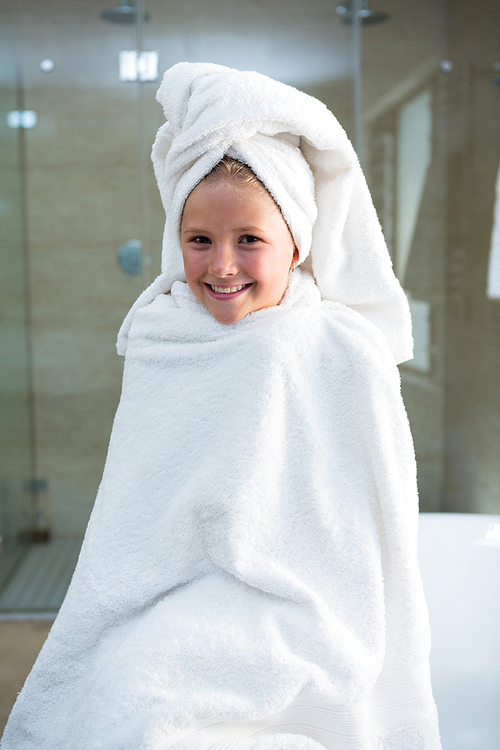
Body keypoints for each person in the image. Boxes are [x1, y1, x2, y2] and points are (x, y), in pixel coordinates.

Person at [1, 63, 442, 750]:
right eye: (199, 240)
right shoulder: (161, 333)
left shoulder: (334, 346)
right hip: (167, 590)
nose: (222, 266)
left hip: (295, 603)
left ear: (296, 244)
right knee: (123, 696)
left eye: (250, 240)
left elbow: (352, 531)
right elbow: (138, 511)